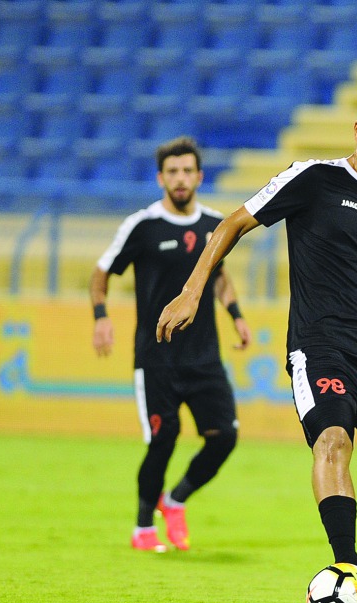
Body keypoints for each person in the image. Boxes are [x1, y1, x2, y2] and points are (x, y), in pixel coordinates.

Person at [155, 88, 357, 603]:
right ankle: (347, 569)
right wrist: (194, 290)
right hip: (321, 346)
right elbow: (232, 222)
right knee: (332, 441)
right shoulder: (314, 178)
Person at [91, 136, 250, 553]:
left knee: (224, 437)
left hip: (204, 359)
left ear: (199, 176)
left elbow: (218, 276)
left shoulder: (215, 224)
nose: (180, 179)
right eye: (172, 172)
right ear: (161, 178)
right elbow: (102, 272)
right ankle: (143, 528)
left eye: (187, 171)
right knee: (164, 438)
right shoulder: (142, 226)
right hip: (156, 358)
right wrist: (101, 317)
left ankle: (174, 500)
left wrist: (236, 316)